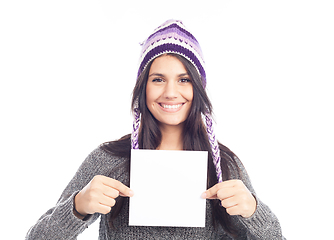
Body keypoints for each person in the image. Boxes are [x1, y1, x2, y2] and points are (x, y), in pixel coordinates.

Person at [26, 20, 285, 239]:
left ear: (198, 89)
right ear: (143, 88)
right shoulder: (109, 159)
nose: (171, 93)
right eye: (158, 79)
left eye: (184, 80)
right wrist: (78, 206)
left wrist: (253, 211)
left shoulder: (226, 166)